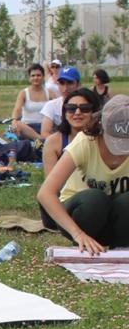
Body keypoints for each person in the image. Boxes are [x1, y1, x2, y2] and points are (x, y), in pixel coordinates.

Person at [37, 94, 129, 252]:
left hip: (116, 220)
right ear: (101, 126)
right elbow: (45, 193)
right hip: (81, 215)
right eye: (114, 140)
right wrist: (78, 234)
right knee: (94, 199)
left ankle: (121, 249)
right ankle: (83, 244)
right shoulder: (85, 142)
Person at [39, 86, 100, 207]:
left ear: (95, 112)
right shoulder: (54, 142)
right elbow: (51, 187)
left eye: (85, 108)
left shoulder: (103, 139)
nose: (77, 112)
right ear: (64, 113)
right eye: (71, 109)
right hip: (67, 201)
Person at [10, 64, 52, 142]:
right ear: (29, 78)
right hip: (27, 127)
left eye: (39, 75)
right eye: (33, 76)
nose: (36, 78)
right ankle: (41, 140)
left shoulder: (49, 92)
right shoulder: (24, 93)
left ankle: (41, 140)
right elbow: (17, 109)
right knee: (18, 124)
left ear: (43, 77)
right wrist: (14, 120)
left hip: (44, 126)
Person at [40, 66, 81, 138]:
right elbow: (45, 133)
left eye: (70, 83)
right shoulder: (51, 105)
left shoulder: (85, 106)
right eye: (62, 83)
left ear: (78, 85)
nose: (65, 88)